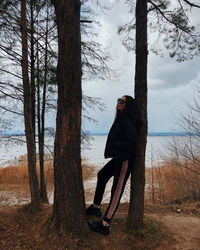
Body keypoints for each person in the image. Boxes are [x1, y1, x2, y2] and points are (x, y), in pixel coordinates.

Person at [86, 95, 139, 235]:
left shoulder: (128, 121)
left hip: (125, 160)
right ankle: (96, 207)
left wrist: (116, 147)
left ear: (128, 105)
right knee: (102, 175)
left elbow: (132, 143)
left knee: (116, 190)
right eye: (118, 100)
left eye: (122, 101)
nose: (119, 102)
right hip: (118, 158)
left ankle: (105, 224)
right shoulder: (121, 118)